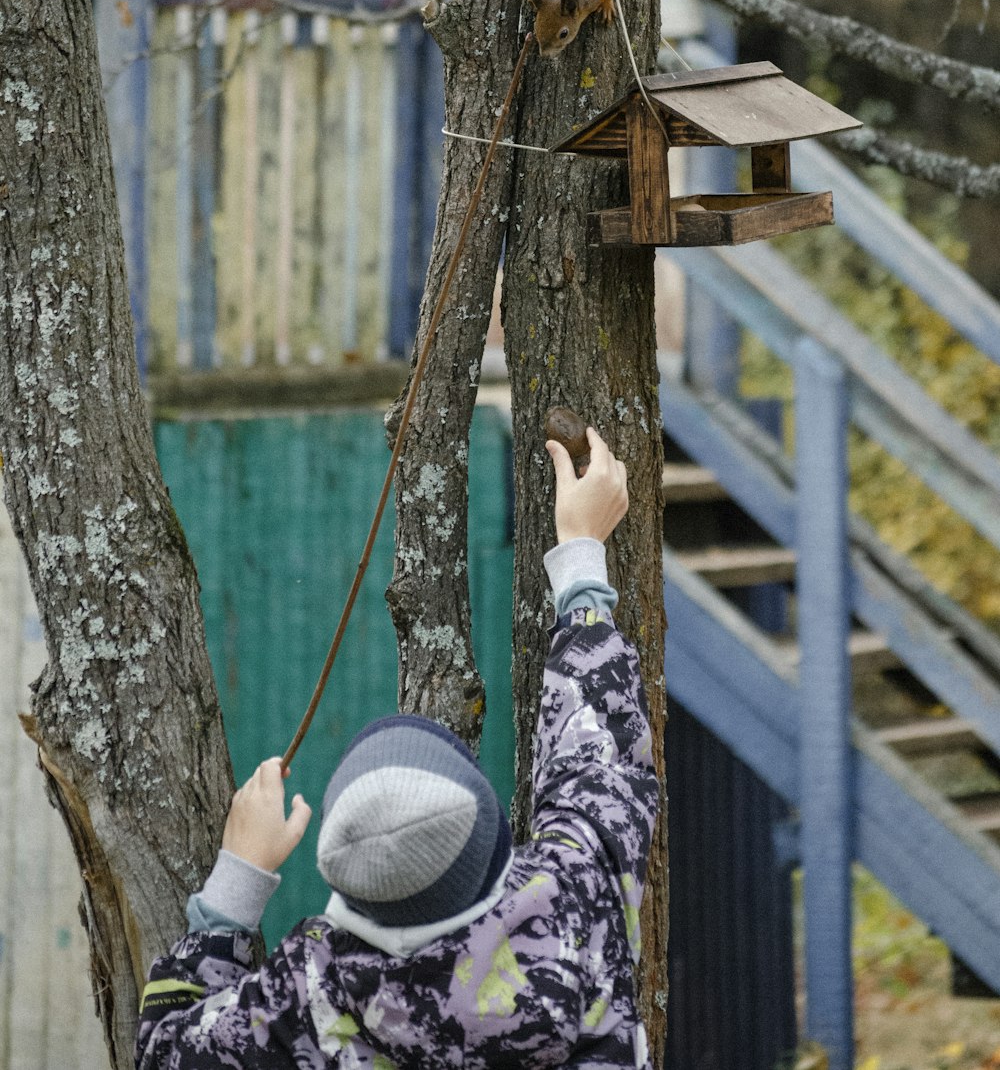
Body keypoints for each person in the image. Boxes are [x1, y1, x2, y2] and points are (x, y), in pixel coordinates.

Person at [136, 426, 659, 1069]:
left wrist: (234, 888)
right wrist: (580, 557)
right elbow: (595, 750)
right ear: (496, 843)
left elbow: (165, 1054)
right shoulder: (577, 896)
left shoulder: (310, 994)